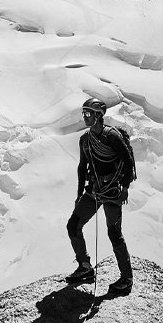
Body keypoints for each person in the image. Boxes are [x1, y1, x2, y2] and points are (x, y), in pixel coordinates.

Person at [66, 97, 134, 296]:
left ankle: (126, 278)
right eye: (84, 114)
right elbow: (82, 167)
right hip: (95, 190)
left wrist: (125, 188)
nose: (85, 117)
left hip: (111, 191)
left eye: (88, 114)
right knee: (73, 225)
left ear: (98, 116)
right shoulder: (85, 140)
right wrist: (80, 194)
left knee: (114, 234)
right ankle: (85, 266)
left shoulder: (112, 136)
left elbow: (128, 162)